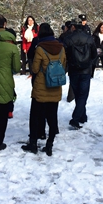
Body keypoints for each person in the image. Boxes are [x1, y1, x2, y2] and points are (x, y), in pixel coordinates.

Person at [21, 23, 66, 156]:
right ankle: (49, 145)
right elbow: (63, 66)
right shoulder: (61, 48)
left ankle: (33, 143)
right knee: (52, 118)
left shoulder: (40, 49)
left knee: (35, 116)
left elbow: (34, 69)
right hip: (55, 86)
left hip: (41, 87)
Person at [62, 19, 97, 129]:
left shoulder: (68, 39)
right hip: (86, 70)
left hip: (73, 69)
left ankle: (78, 117)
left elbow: (65, 54)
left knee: (78, 93)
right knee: (83, 94)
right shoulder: (89, 38)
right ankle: (80, 116)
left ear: (73, 27)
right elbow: (94, 54)